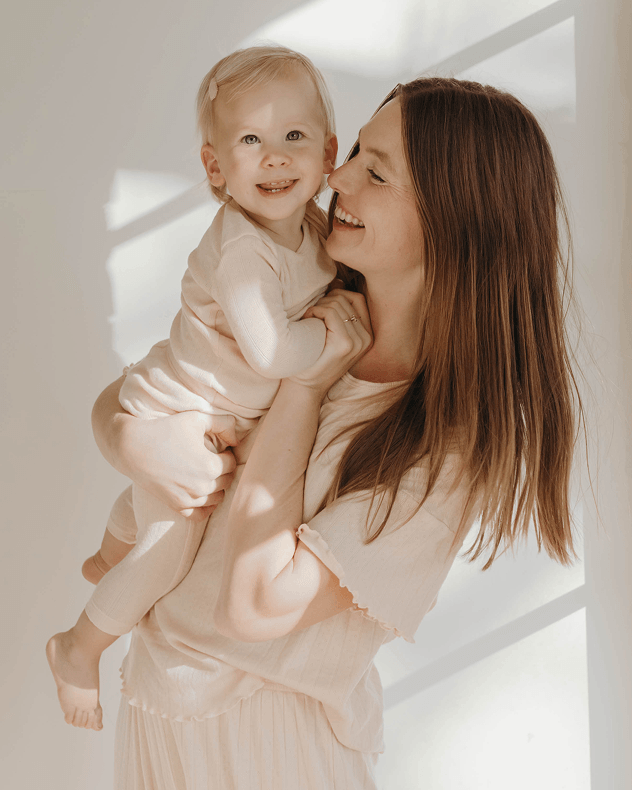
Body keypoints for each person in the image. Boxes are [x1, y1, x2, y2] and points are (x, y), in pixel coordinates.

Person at [95, 76, 583, 789]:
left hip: (272, 748)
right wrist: (137, 443)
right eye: (354, 150)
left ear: (454, 222)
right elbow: (134, 393)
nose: (337, 175)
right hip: (158, 709)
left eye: (375, 171)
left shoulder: (446, 446)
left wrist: (304, 385)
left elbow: (256, 603)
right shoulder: (300, 296)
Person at [45, 45, 338, 731]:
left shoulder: (315, 229)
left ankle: (109, 550)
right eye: (250, 140)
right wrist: (335, 336)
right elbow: (272, 353)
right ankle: (78, 647)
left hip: (204, 400)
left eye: (294, 136)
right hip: (177, 403)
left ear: (328, 154)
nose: (275, 157)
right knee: (171, 544)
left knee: (154, 510)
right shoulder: (243, 250)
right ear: (215, 168)